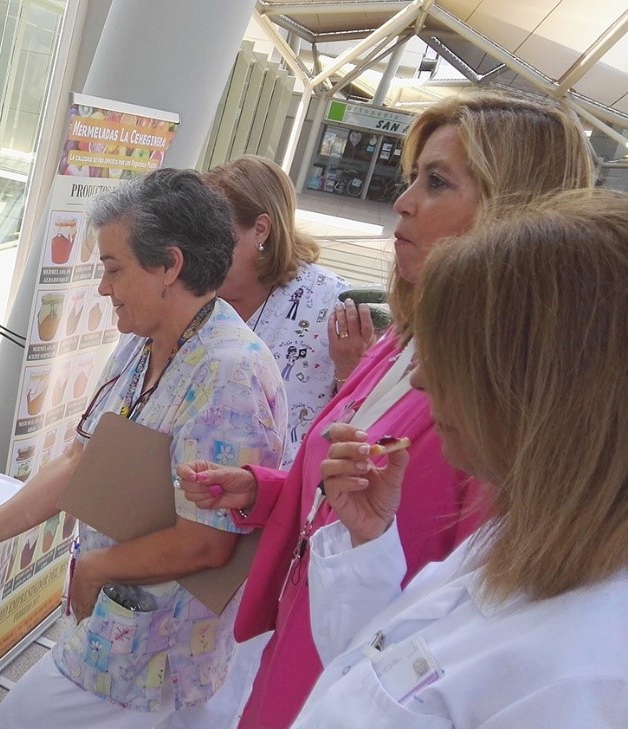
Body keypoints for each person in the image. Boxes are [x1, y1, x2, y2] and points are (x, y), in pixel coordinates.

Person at [174, 91, 595, 729]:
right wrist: (261, 491)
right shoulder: (402, 341)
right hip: (308, 642)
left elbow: (467, 596)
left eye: (437, 182)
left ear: (515, 212)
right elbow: (354, 496)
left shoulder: (503, 408)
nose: (403, 202)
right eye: (410, 179)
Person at [0, 168, 288, 727]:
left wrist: (93, 568)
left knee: (20, 716)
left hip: (160, 650)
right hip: (118, 626)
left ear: (169, 266)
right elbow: (78, 463)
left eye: (114, 269)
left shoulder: (230, 373)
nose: (103, 288)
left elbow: (207, 545)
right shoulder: (145, 344)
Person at [296, 189, 628, 727]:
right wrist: (368, 546)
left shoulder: (587, 678)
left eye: (453, 356)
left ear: (546, 390)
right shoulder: (525, 537)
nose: (422, 380)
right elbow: (377, 669)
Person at [205, 156, 348, 467]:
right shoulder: (194, 289)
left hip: (279, 496)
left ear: (260, 230)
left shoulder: (331, 301)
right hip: (194, 488)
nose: (202, 247)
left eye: (215, 234)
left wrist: (349, 367)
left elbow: (362, 416)